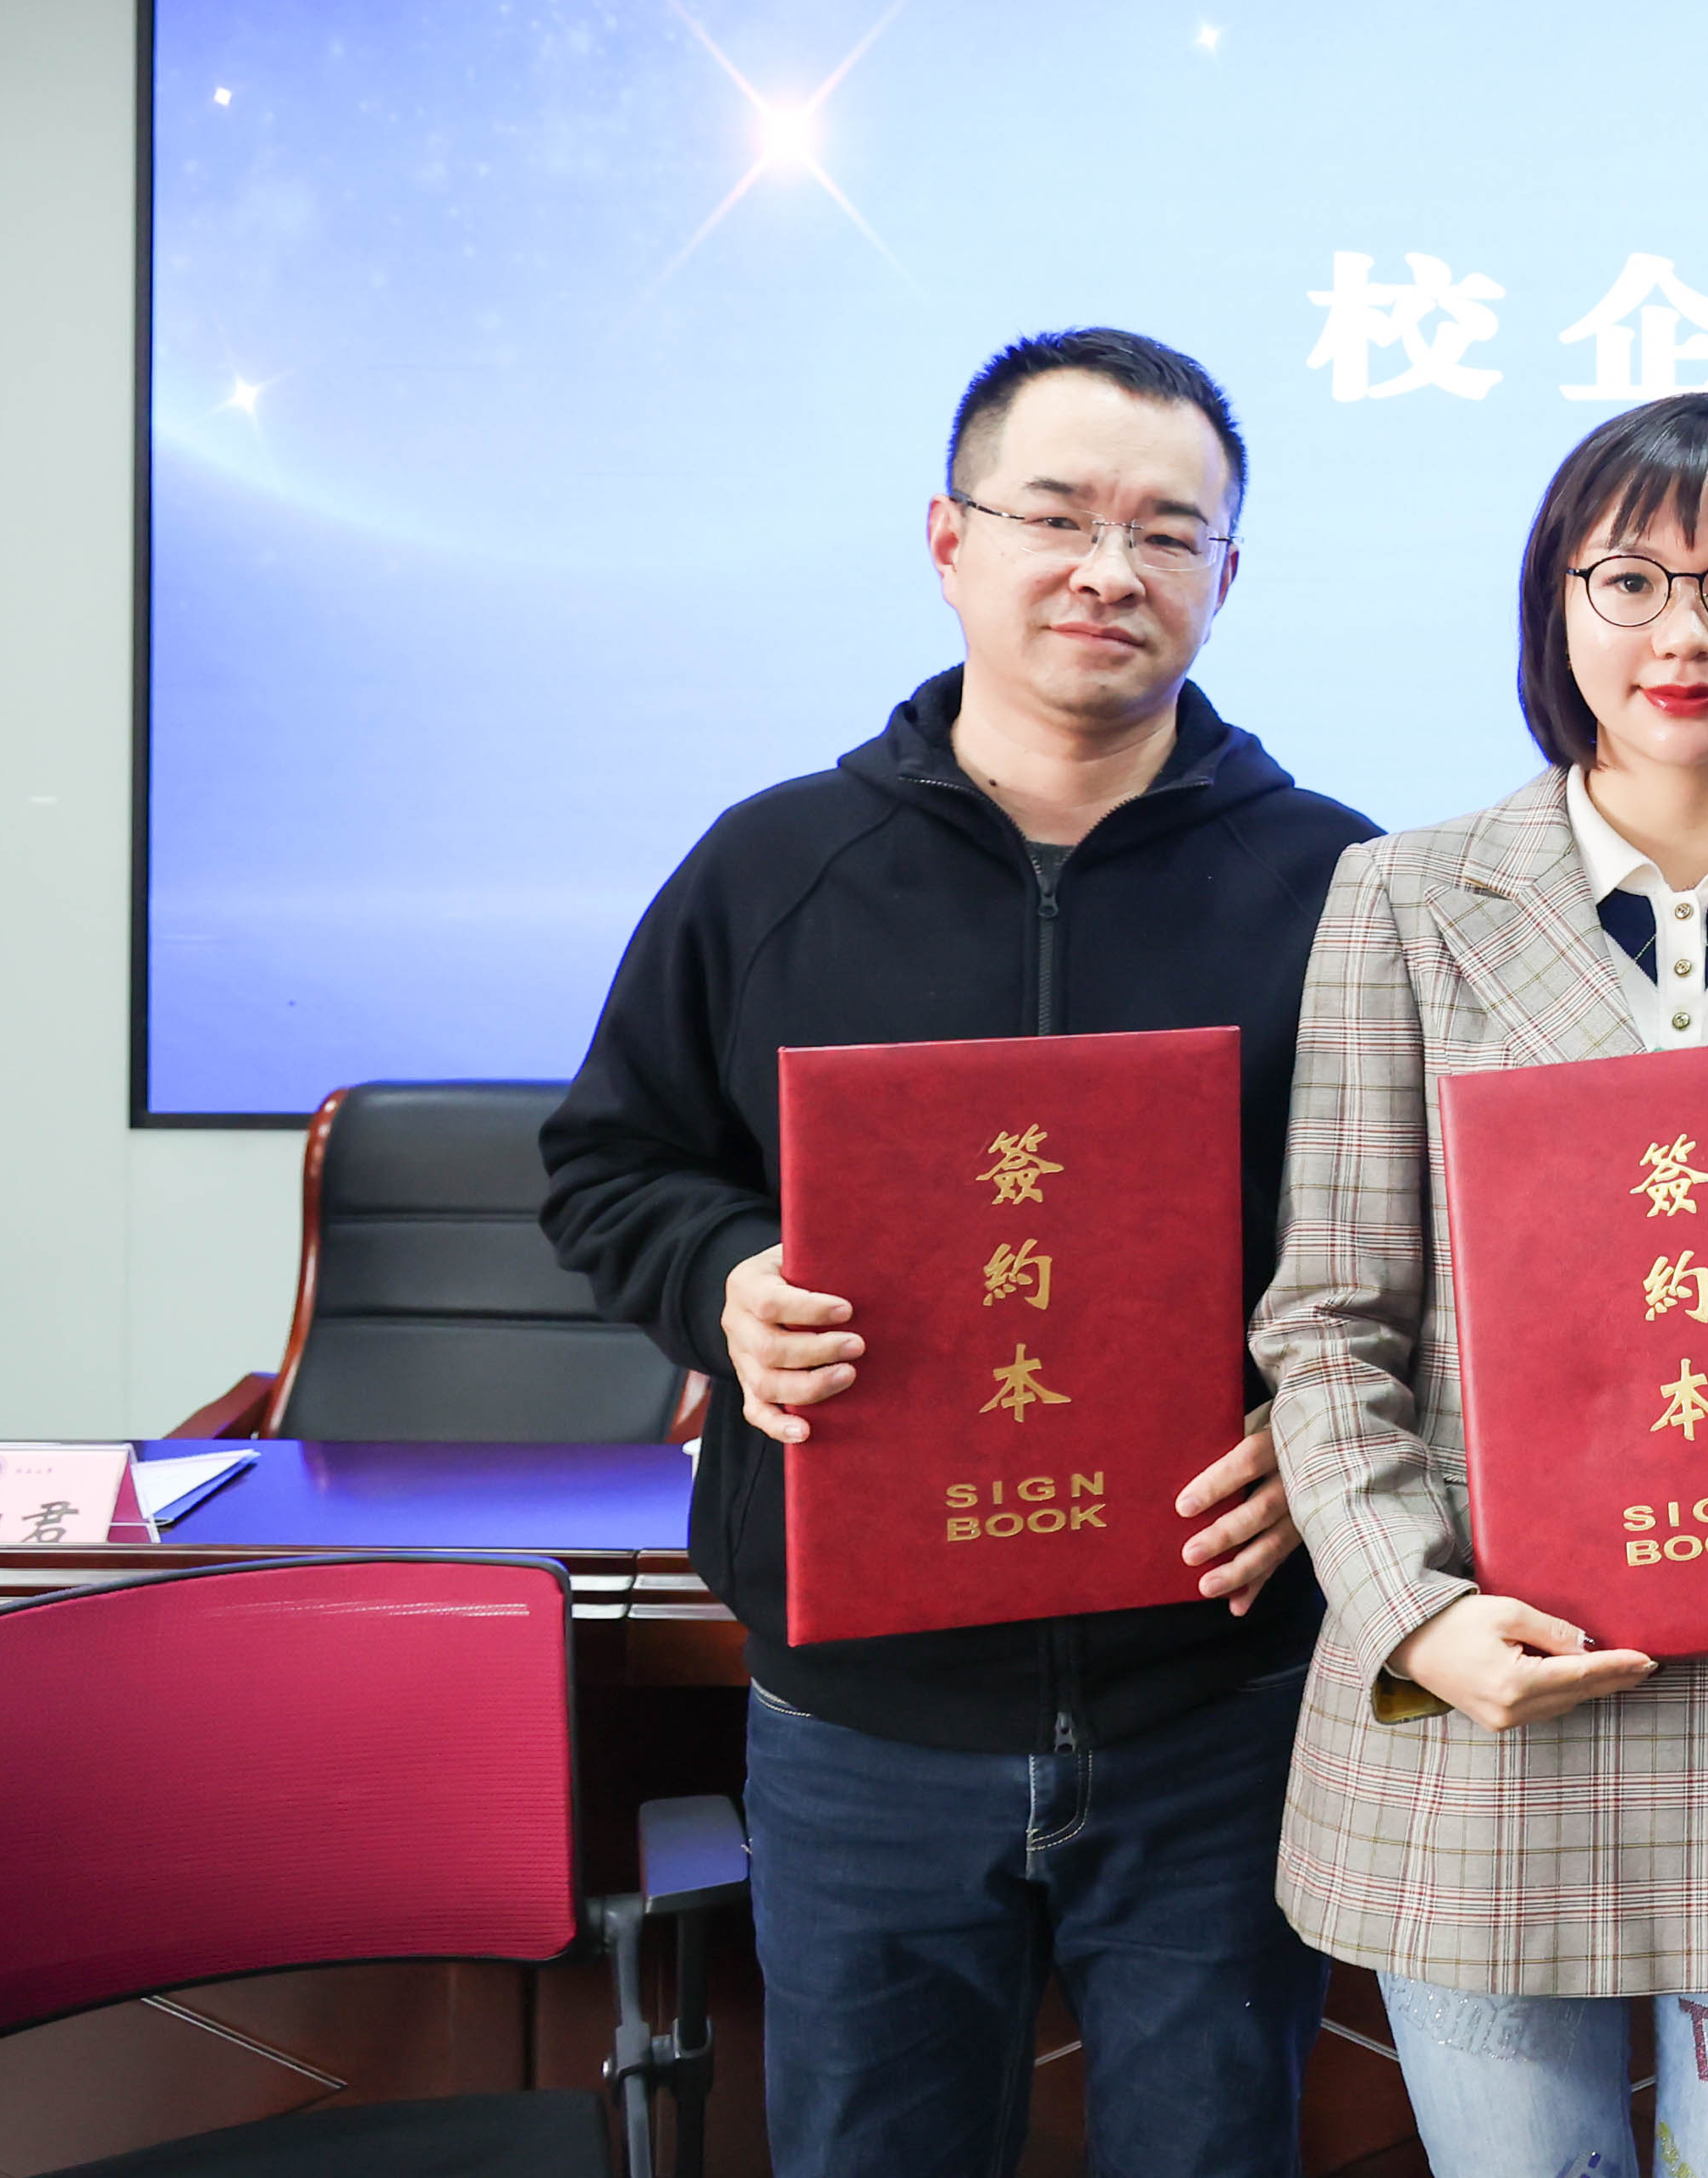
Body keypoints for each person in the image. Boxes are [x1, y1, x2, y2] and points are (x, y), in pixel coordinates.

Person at [539, 328, 1374, 2178]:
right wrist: (728, 1278)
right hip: (865, 1721)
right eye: (1056, 515)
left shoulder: (1343, 887)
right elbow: (608, 1165)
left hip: (1217, 1700)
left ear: (1226, 575)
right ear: (949, 539)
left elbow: (1434, 1252)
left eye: (1168, 532)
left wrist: (1328, 1446)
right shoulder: (773, 866)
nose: (1109, 568)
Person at [1254, 392, 1708, 2178]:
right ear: (1556, 601)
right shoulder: (1403, 900)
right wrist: (1413, 1617)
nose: (1685, 629)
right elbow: (1327, 1321)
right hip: (1492, 1684)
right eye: (1633, 577)